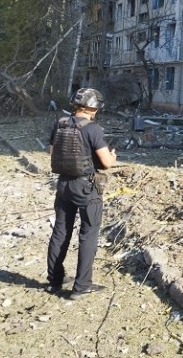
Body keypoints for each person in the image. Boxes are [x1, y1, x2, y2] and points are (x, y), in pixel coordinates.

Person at [46, 88, 116, 300]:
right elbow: (106, 162)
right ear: (93, 108)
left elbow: (52, 152)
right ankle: (82, 286)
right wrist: (113, 156)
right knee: (88, 234)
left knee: (60, 232)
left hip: (63, 185)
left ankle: (55, 281)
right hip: (86, 188)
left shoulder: (60, 124)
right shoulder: (93, 129)